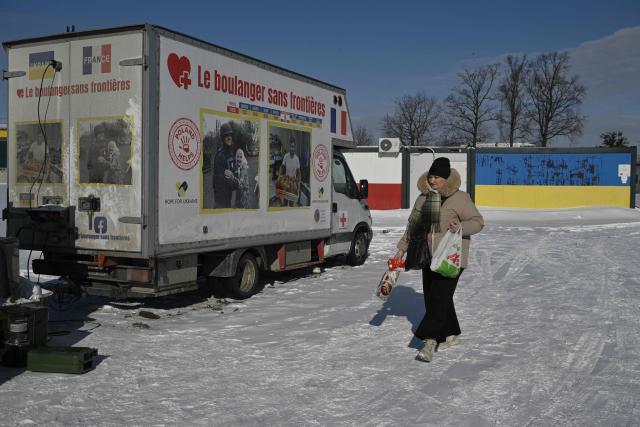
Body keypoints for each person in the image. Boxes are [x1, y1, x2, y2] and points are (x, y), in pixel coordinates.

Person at [394, 157, 484, 362]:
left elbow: (478, 222)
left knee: (440, 298)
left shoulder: (460, 198)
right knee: (434, 298)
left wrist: (461, 227)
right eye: (431, 176)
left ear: (447, 179)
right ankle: (451, 334)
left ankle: (429, 341)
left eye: (437, 177)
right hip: (428, 257)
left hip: (451, 258)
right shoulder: (423, 198)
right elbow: (413, 228)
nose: (432, 180)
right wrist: (401, 249)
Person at [213, 123, 237, 208]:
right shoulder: (219, 156)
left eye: (230, 135)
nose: (229, 137)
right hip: (220, 197)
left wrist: (235, 177)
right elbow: (219, 179)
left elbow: (233, 170)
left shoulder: (231, 153)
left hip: (228, 195)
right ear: (222, 138)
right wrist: (232, 180)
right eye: (226, 135)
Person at [278, 137, 301, 206]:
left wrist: (298, 183)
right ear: (289, 147)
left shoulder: (297, 159)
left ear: (295, 147)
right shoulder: (286, 156)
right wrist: (279, 176)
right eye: (291, 146)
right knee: (285, 201)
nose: (292, 148)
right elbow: (282, 167)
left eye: (293, 146)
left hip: (293, 181)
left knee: (291, 202)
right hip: (286, 180)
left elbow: (299, 172)